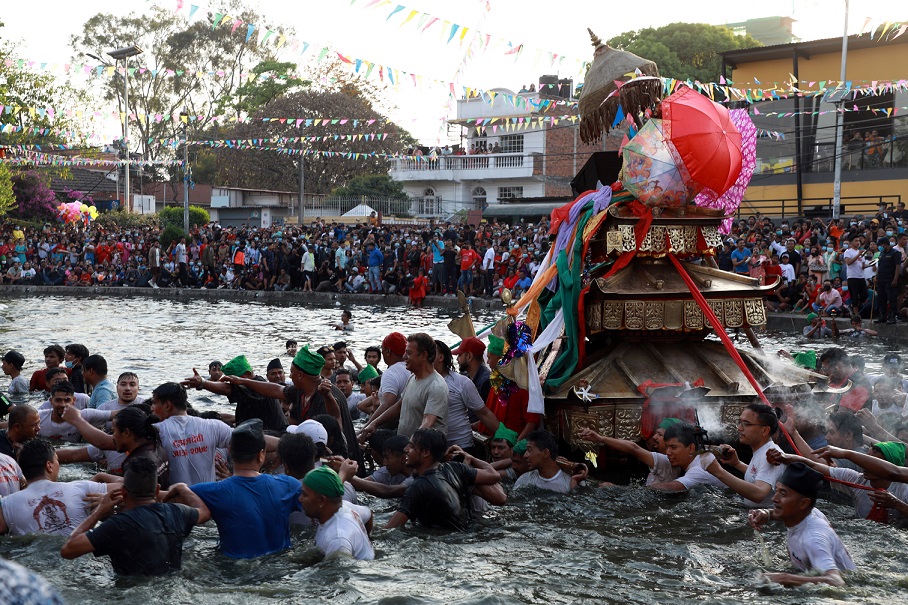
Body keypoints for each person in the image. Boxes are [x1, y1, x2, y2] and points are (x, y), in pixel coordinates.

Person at [164, 419, 302, 559]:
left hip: (235, 570)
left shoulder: (212, 492)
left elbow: (164, 498)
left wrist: (181, 487)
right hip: (281, 566)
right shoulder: (289, 485)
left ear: (229, 451)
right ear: (261, 454)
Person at [60, 457, 205, 575]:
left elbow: (68, 550)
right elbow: (204, 511)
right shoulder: (176, 512)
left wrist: (99, 511)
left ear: (122, 492)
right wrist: (182, 488)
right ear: (157, 490)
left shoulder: (118, 525)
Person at [747, 463, 855, 587]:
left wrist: (785, 578)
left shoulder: (813, 538)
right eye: (776, 491)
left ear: (803, 503)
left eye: (783, 494)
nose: (774, 499)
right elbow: (788, 512)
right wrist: (767, 513)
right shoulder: (809, 513)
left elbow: (836, 581)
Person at [386, 428, 502, 531]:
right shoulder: (456, 467)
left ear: (426, 452)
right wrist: (471, 457)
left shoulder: (417, 487)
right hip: (467, 533)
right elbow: (494, 475)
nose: (405, 449)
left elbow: (389, 530)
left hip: (442, 542)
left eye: (411, 446)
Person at [768, 442, 908, 524]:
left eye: (873, 462)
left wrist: (896, 504)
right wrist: (784, 457)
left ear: (888, 466)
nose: (866, 466)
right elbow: (813, 465)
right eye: (867, 459)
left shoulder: (904, 488)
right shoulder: (857, 479)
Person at [0, 438, 108, 536]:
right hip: (78, 551)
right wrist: (102, 479)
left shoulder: (6, 505)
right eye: (57, 460)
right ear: (49, 466)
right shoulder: (83, 488)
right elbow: (123, 487)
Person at [150, 382, 233, 486]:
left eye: (154, 403)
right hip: (210, 498)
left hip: (176, 499)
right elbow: (250, 444)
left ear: (167, 405)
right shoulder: (213, 426)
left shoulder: (156, 431)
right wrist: (235, 477)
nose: (151, 408)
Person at [704, 403, 785, 507]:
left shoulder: (771, 455)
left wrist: (718, 471)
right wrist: (737, 463)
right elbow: (759, 475)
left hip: (765, 520)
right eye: (740, 422)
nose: (739, 428)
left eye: (746, 424)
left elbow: (759, 494)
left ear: (765, 430)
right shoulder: (762, 451)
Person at [183, 355, 287, 432]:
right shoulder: (253, 386)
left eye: (233, 381)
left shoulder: (255, 387)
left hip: (274, 437)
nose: (231, 384)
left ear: (247, 374)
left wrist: (203, 383)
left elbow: (228, 389)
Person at [300, 466, 374, 560]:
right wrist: (369, 539)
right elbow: (369, 513)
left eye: (305, 495)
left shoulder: (338, 540)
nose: (300, 499)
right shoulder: (346, 506)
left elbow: (340, 572)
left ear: (322, 500)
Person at [579, 418, 682, 486]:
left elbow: (634, 449)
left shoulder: (666, 462)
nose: (654, 437)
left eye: (660, 434)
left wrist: (600, 438)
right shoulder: (674, 462)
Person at [358, 332, 413, 440]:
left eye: (382, 350)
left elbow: (387, 404)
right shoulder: (412, 370)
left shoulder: (391, 373)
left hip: (391, 431)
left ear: (388, 351)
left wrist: (368, 426)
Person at [513, 430, 587, 493]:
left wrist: (573, 487)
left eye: (529, 450)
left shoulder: (570, 482)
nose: (525, 455)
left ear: (545, 453)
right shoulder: (524, 480)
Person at [452, 336, 491, 402]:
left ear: (469, 356)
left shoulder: (486, 382)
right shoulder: (465, 376)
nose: (457, 359)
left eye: (459, 355)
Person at [875, 236, 901, 324]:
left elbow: (898, 267)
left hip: (890, 279)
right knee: (881, 298)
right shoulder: (882, 253)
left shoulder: (895, 253)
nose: (880, 247)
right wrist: (876, 276)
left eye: (880, 245)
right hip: (881, 279)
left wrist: (895, 279)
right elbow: (879, 266)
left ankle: (893, 316)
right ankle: (883, 316)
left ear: (884, 244)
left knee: (891, 298)